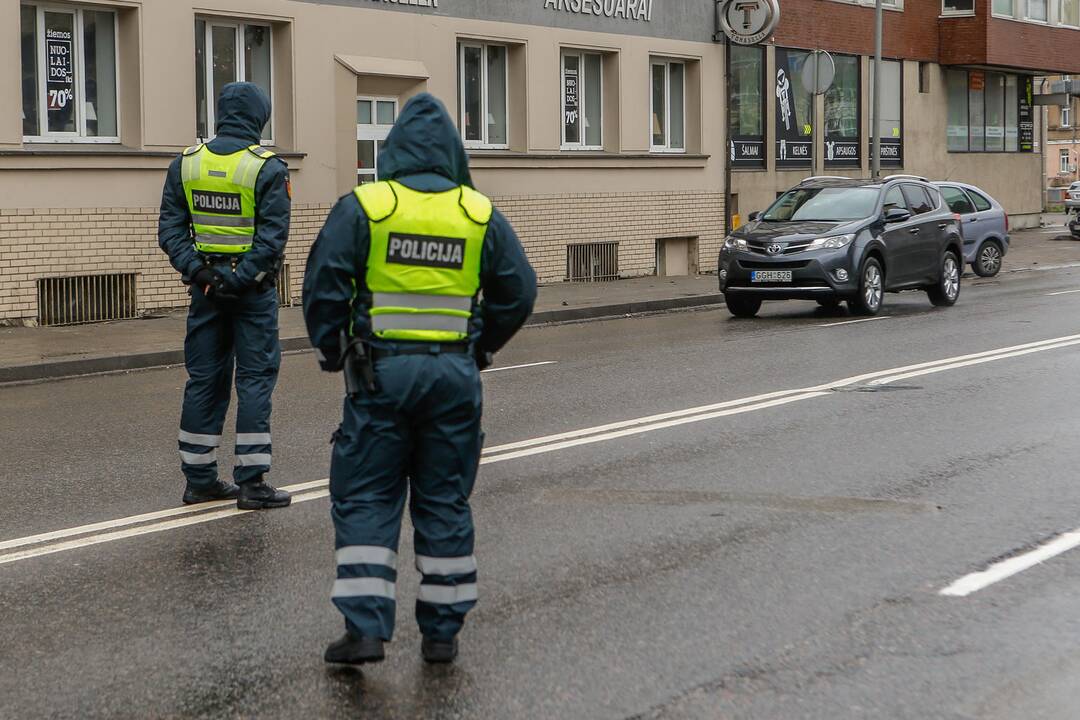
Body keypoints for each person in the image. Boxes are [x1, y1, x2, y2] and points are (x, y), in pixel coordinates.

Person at [303, 93, 536, 665]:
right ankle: (442, 635)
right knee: (444, 500)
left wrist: (333, 350)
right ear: (453, 152)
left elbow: (323, 283)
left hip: (379, 376)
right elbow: (520, 290)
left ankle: (364, 631)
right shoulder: (477, 211)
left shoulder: (367, 206)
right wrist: (480, 346)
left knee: (366, 496)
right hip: (453, 377)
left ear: (394, 149)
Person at [158, 82, 292, 510]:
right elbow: (272, 239)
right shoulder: (267, 168)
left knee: (204, 380)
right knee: (253, 381)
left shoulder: (186, 164)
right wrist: (240, 278)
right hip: (251, 293)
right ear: (259, 117)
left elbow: (170, 230)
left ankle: (199, 481)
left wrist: (201, 272)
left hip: (204, 291)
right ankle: (252, 484)